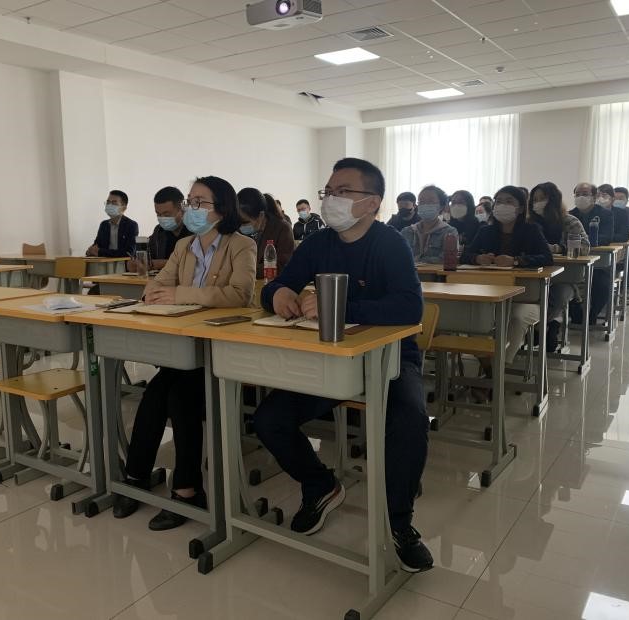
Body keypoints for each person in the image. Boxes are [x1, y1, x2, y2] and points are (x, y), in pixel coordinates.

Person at [255, 157, 433, 573]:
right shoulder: (318, 243)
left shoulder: (390, 243)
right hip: (331, 359)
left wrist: (338, 306)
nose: (331, 199)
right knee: (269, 419)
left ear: (372, 202)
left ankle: (399, 522)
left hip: (389, 359)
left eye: (343, 191)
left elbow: (410, 307)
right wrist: (276, 295)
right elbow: (277, 283)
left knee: (409, 419)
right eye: (328, 191)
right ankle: (320, 485)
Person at [112, 176, 256, 528]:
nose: (191, 208)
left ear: (221, 208)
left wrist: (182, 294)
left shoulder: (241, 245)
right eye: (190, 201)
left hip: (220, 349)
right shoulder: (184, 246)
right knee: (154, 394)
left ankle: (188, 489)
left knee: (180, 397)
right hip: (185, 344)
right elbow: (160, 282)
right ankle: (136, 476)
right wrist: (154, 291)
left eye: (199, 202)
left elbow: (239, 294)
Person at [461, 186, 553, 364]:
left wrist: (516, 261)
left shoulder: (532, 230)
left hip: (525, 298)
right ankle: (487, 364)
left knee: (516, 319)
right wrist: (478, 258)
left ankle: (500, 365)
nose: (502, 205)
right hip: (491, 294)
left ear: (520, 208)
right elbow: (465, 255)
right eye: (499, 201)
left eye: (509, 201)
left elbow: (547, 258)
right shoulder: (485, 231)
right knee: (472, 316)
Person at [528, 182, 590, 351]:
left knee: (560, 295)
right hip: (534, 275)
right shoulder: (528, 223)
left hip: (563, 277)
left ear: (553, 200)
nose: (538, 203)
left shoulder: (569, 221)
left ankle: (541, 327)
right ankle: (548, 325)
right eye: (535, 200)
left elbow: (585, 247)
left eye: (542, 199)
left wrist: (558, 248)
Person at [569, 182, 614, 325]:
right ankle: (576, 315)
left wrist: (585, 241)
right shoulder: (570, 215)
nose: (581, 197)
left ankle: (592, 314)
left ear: (594, 197)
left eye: (585, 194)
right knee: (567, 284)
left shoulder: (605, 214)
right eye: (578, 194)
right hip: (574, 261)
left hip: (598, 262)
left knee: (602, 285)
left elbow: (606, 237)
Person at [128, 186, 193, 272]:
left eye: (167, 214)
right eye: (158, 214)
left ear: (182, 210)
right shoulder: (159, 231)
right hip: (161, 278)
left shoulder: (195, 230)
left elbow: (196, 262)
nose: (162, 218)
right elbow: (148, 257)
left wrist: (159, 264)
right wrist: (136, 263)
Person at [237, 188, 295, 278]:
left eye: (245, 222)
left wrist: (246, 270)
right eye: (238, 222)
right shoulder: (239, 232)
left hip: (271, 282)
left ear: (261, 215)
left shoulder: (282, 228)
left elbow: (282, 266)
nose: (241, 226)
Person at [401, 185, 458, 263]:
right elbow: (398, 255)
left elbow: (446, 259)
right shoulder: (407, 231)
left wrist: (415, 261)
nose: (425, 205)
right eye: (421, 201)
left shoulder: (449, 232)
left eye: (431, 201)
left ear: (441, 206)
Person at [86, 190, 138, 258]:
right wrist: (89, 251)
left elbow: (128, 253)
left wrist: (101, 252)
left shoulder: (131, 225)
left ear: (124, 208)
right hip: (104, 263)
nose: (110, 205)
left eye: (114, 203)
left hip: (123, 264)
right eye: (108, 202)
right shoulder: (104, 225)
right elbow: (96, 247)